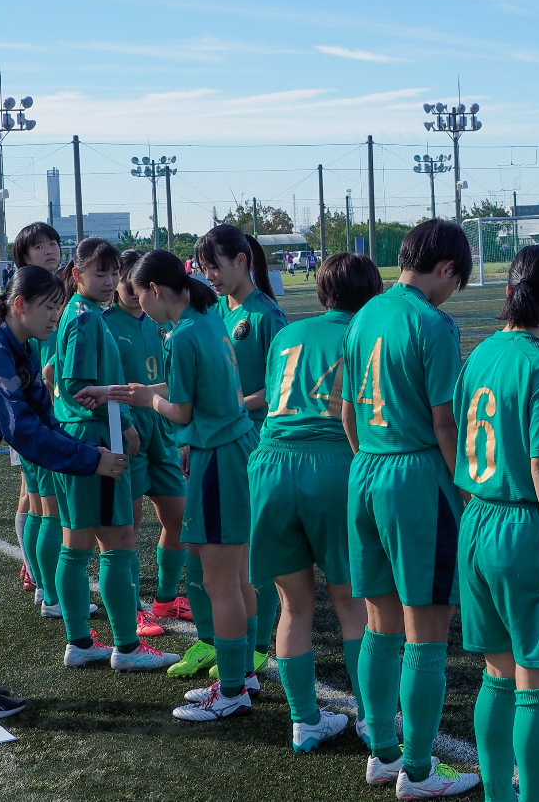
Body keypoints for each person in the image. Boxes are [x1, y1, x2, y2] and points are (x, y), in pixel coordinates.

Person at [0, 267, 127, 722]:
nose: (56, 316)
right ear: (20, 305)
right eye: (49, 307)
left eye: (59, 307)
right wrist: (92, 460)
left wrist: (90, 450)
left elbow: (45, 420)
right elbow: (22, 431)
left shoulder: (15, 350)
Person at [342, 219, 480, 796]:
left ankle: (382, 753)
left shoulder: (365, 314)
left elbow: (346, 411)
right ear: (447, 268)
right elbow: (445, 423)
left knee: (379, 626)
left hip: (367, 470)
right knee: (426, 633)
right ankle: (419, 772)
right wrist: (466, 486)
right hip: (417, 475)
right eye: (457, 281)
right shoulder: (433, 324)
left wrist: (369, 462)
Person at [455, 246, 539, 802]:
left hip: (479, 519)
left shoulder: (480, 355)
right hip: (527, 529)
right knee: (538, 688)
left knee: (498, 676)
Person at [105, 249, 261, 720]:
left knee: (221, 581)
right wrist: (143, 392)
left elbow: (183, 412)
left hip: (218, 457)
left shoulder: (182, 335)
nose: (140, 307)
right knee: (235, 574)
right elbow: (198, 390)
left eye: (138, 296)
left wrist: (150, 402)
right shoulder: (207, 317)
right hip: (236, 449)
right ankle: (244, 675)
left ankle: (232, 689)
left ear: (153, 291)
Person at [248, 252, 383, 753]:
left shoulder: (287, 334)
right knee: (352, 603)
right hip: (330, 462)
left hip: (270, 462)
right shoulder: (365, 332)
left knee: (293, 605)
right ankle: (372, 718)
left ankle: (304, 720)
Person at [52, 239, 175, 672]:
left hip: (80, 439)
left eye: (111, 274)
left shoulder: (83, 315)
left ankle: (82, 641)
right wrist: (119, 421)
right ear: (77, 274)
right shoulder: (85, 320)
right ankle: (126, 646)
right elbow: (75, 386)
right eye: (98, 274)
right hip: (94, 440)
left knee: (78, 543)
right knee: (116, 542)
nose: (107, 283)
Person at [195, 225, 287, 674]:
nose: (209, 275)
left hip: (254, 441)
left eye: (215, 265)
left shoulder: (266, 314)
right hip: (218, 442)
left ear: (242, 260)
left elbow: (278, 390)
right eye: (204, 267)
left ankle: (254, 647)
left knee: (253, 551)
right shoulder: (215, 310)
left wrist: (232, 404)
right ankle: (225, 642)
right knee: (219, 551)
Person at [103, 250, 192, 633]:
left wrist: (183, 435)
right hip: (128, 431)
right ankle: (133, 608)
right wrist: (122, 422)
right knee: (130, 525)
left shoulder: (163, 322)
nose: (126, 286)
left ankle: (166, 598)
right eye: (122, 278)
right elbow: (69, 379)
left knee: (180, 517)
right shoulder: (103, 324)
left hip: (165, 428)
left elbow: (178, 384)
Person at [9, 223, 63, 606]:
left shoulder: (59, 290)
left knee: (34, 494)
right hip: (34, 409)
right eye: (39, 246)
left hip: (45, 407)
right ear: (24, 258)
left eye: (53, 243)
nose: (49, 250)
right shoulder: (24, 295)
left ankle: (40, 576)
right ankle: (40, 575)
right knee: (36, 497)